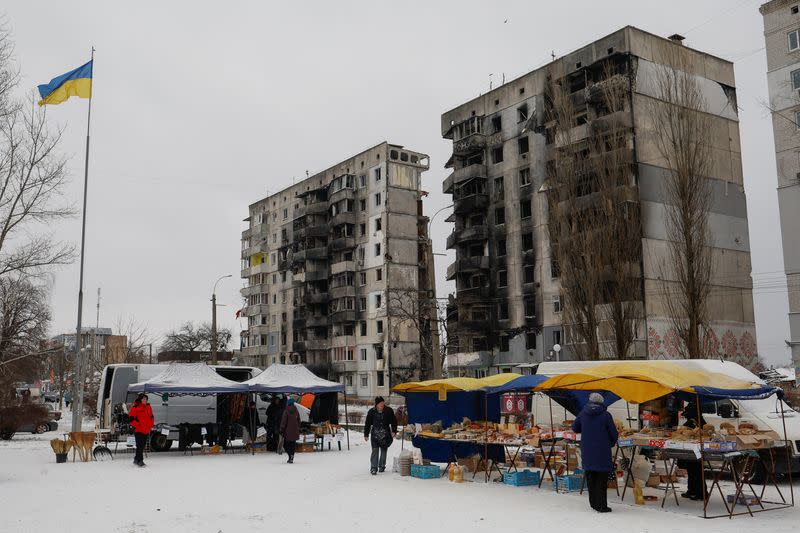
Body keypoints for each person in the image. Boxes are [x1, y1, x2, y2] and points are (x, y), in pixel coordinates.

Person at [572, 392, 618, 513]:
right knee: (601, 480)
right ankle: (602, 506)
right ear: (602, 403)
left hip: (587, 451)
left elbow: (575, 428)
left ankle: (593, 504)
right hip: (602, 451)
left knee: (591, 478)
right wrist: (611, 443)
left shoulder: (583, 413)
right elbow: (614, 434)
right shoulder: (606, 415)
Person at [679, 401, 707, 501]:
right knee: (691, 470)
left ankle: (700, 493)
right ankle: (692, 490)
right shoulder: (693, 419)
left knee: (697, 470)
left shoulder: (696, 421)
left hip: (697, 449)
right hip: (692, 449)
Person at [363, 396, 397, 475]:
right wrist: (366, 434)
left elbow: (394, 421)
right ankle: (373, 468)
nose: (382, 404)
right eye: (380, 403)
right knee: (375, 450)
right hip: (375, 433)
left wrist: (394, 431)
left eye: (382, 402)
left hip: (385, 433)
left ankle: (382, 466)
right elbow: (367, 423)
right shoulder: (372, 411)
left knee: (384, 450)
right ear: (376, 404)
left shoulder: (389, 410)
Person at [128, 393, 154, 467]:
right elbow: (131, 420)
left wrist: (151, 424)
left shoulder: (148, 406)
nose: (145, 400)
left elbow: (151, 416)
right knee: (140, 446)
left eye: (146, 399)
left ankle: (136, 459)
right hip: (139, 430)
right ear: (140, 400)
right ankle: (140, 461)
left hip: (146, 430)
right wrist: (138, 425)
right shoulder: (135, 407)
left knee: (142, 446)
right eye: (143, 399)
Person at [280, 398, 301, 463]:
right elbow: (299, 420)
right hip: (295, 430)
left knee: (286, 445)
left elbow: (284, 421)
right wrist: (297, 427)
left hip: (287, 431)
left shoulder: (286, 410)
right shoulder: (296, 410)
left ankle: (290, 455)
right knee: (293, 444)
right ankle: (291, 456)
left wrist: (281, 429)